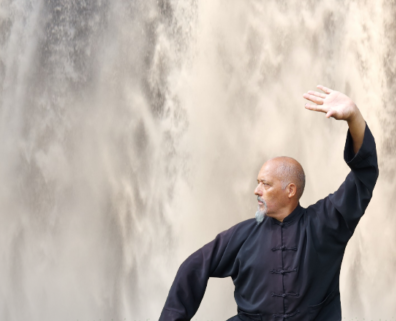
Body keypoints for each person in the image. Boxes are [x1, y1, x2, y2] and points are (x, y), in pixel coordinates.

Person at [159, 86, 378, 321]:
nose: (256, 190)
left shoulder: (326, 223)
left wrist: (354, 116)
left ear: (290, 190)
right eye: (257, 183)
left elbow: (363, 175)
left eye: (265, 184)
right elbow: (192, 268)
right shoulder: (241, 236)